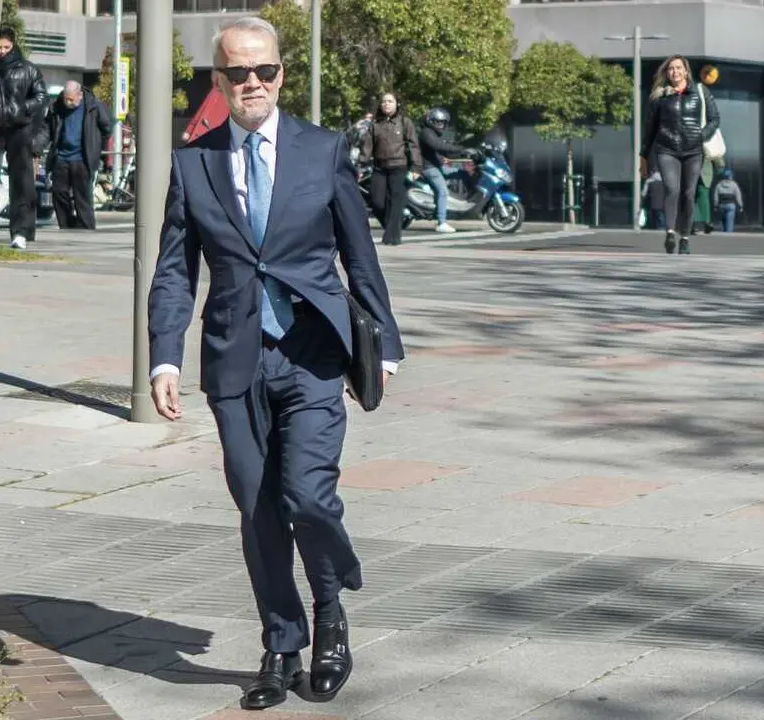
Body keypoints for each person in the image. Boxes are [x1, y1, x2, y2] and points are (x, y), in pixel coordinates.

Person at [147, 16, 403, 712]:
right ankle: (282, 645)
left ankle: (331, 610)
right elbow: (174, 271)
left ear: (281, 75)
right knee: (259, 510)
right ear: (220, 81)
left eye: (264, 71)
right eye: (238, 73)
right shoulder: (193, 163)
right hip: (234, 359)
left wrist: (384, 343)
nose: (252, 83)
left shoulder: (322, 151)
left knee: (308, 497)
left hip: (313, 354)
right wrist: (165, 358)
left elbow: (359, 254)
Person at [639, 54, 721, 255]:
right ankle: (670, 233)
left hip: (693, 151)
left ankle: (684, 238)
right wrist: (643, 157)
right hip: (667, 150)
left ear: (685, 71)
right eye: (671, 68)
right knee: (672, 190)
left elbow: (714, 119)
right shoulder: (660, 96)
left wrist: (701, 136)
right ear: (667, 73)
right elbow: (650, 128)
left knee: (688, 193)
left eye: (678, 68)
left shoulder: (700, 91)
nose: (674, 71)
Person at [0, 27, 48, 249]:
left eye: (6, 47)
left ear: (13, 45)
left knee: (22, 180)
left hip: (19, 128)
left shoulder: (28, 69)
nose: (1, 51)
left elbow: (42, 96)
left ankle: (21, 232)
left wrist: (23, 108)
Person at [44, 80, 112, 230]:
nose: (68, 102)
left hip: (82, 158)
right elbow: (48, 128)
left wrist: (95, 146)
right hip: (61, 156)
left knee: (82, 197)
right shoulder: (57, 106)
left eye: (71, 99)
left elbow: (107, 128)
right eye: (66, 99)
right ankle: (66, 225)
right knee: (58, 192)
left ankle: (86, 227)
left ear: (79, 95)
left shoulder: (94, 106)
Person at [359, 92, 421, 246]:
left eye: (390, 101)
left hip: (399, 167)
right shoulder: (375, 124)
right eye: (384, 101)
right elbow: (367, 147)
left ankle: (392, 237)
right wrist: (360, 165)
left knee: (395, 203)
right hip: (379, 168)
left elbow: (413, 146)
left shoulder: (405, 122)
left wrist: (416, 167)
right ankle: (391, 228)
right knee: (376, 201)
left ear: (396, 104)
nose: (386, 104)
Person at [417, 107, 472, 234]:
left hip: (438, 165)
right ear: (431, 121)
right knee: (443, 191)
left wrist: (467, 153)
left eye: (443, 122)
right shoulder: (426, 133)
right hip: (428, 167)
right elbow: (439, 147)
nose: (441, 124)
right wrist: (461, 149)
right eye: (438, 121)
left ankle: (467, 200)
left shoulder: (435, 134)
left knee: (463, 172)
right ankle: (441, 222)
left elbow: (447, 152)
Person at [711, 167, 744, 232]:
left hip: (721, 206)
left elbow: (716, 197)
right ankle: (729, 235)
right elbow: (738, 196)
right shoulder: (734, 185)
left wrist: (715, 206)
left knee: (724, 222)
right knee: (730, 224)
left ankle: (724, 234)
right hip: (731, 205)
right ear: (730, 176)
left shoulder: (719, 185)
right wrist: (741, 206)